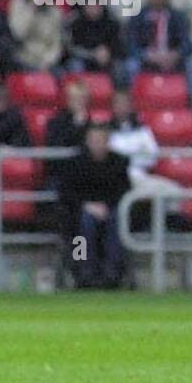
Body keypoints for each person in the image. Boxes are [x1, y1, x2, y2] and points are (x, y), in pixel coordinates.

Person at [58, 123, 130, 289]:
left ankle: (113, 271)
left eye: (101, 140)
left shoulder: (119, 163)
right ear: (87, 142)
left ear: (108, 142)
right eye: (93, 140)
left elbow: (123, 191)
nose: (97, 144)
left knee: (117, 219)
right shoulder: (75, 163)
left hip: (110, 210)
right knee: (83, 224)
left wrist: (106, 207)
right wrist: (87, 206)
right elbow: (66, 193)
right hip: (79, 213)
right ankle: (82, 270)